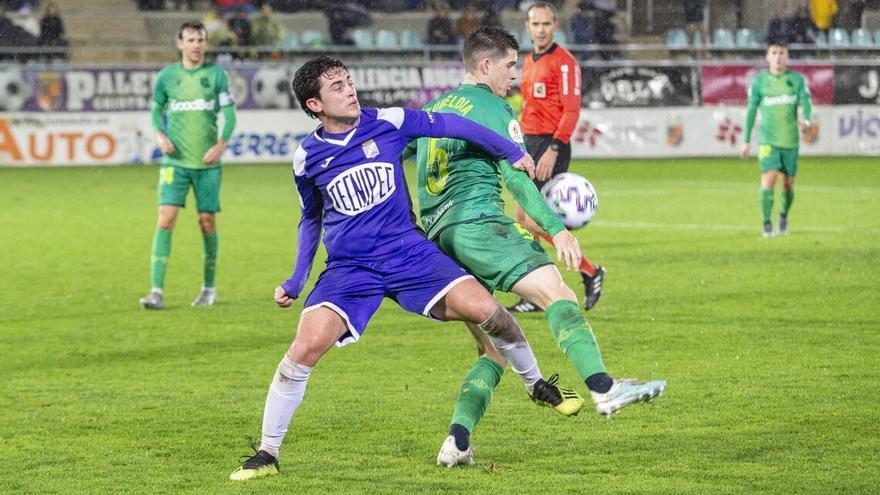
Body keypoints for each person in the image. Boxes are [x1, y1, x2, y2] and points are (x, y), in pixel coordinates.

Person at [228, 55, 581, 481]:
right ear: (314, 104)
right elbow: (311, 218)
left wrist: (509, 148)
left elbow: (454, 127)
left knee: (490, 312)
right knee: (304, 349)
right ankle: (267, 453)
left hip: (409, 254)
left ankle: (536, 383)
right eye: (337, 86)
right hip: (351, 269)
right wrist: (298, 278)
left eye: (349, 81)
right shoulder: (308, 158)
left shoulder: (389, 122)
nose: (350, 90)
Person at [410, 26, 666, 467]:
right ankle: (604, 388)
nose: (517, 75)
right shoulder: (493, 106)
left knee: (492, 351)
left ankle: (457, 441)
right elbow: (515, 177)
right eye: (511, 65)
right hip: (481, 229)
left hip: (438, 245)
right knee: (559, 295)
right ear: (486, 65)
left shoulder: (433, 108)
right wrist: (558, 229)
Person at [511, 2, 605, 313]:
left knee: (528, 218)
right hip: (529, 143)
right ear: (527, 27)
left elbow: (571, 109)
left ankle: (588, 270)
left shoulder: (564, 63)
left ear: (555, 26)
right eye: (535, 24)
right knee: (524, 219)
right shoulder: (529, 59)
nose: (540, 30)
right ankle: (540, 290)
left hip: (550, 145)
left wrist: (553, 147)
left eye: (546, 24)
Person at [139, 21, 237, 310]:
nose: (196, 45)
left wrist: (221, 145)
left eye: (201, 40)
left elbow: (230, 116)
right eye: (191, 40)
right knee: (165, 218)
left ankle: (208, 288)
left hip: (207, 165)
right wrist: (159, 135)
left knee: (206, 222)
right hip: (175, 162)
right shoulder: (167, 77)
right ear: (180, 44)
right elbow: (156, 109)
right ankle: (156, 291)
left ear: (205, 44)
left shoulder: (216, 75)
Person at [740, 42, 813, 238]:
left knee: (788, 185)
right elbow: (751, 111)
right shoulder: (759, 82)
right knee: (768, 179)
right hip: (768, 141)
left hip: (790, 141)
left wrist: (806, 119)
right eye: (774, 52)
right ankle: (766, 224)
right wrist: (746, 140)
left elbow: (806, 101)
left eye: (782, 52)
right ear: (767, 57)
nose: (778, 56)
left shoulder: (796, 80)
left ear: (787, 56)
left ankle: (783, 215)